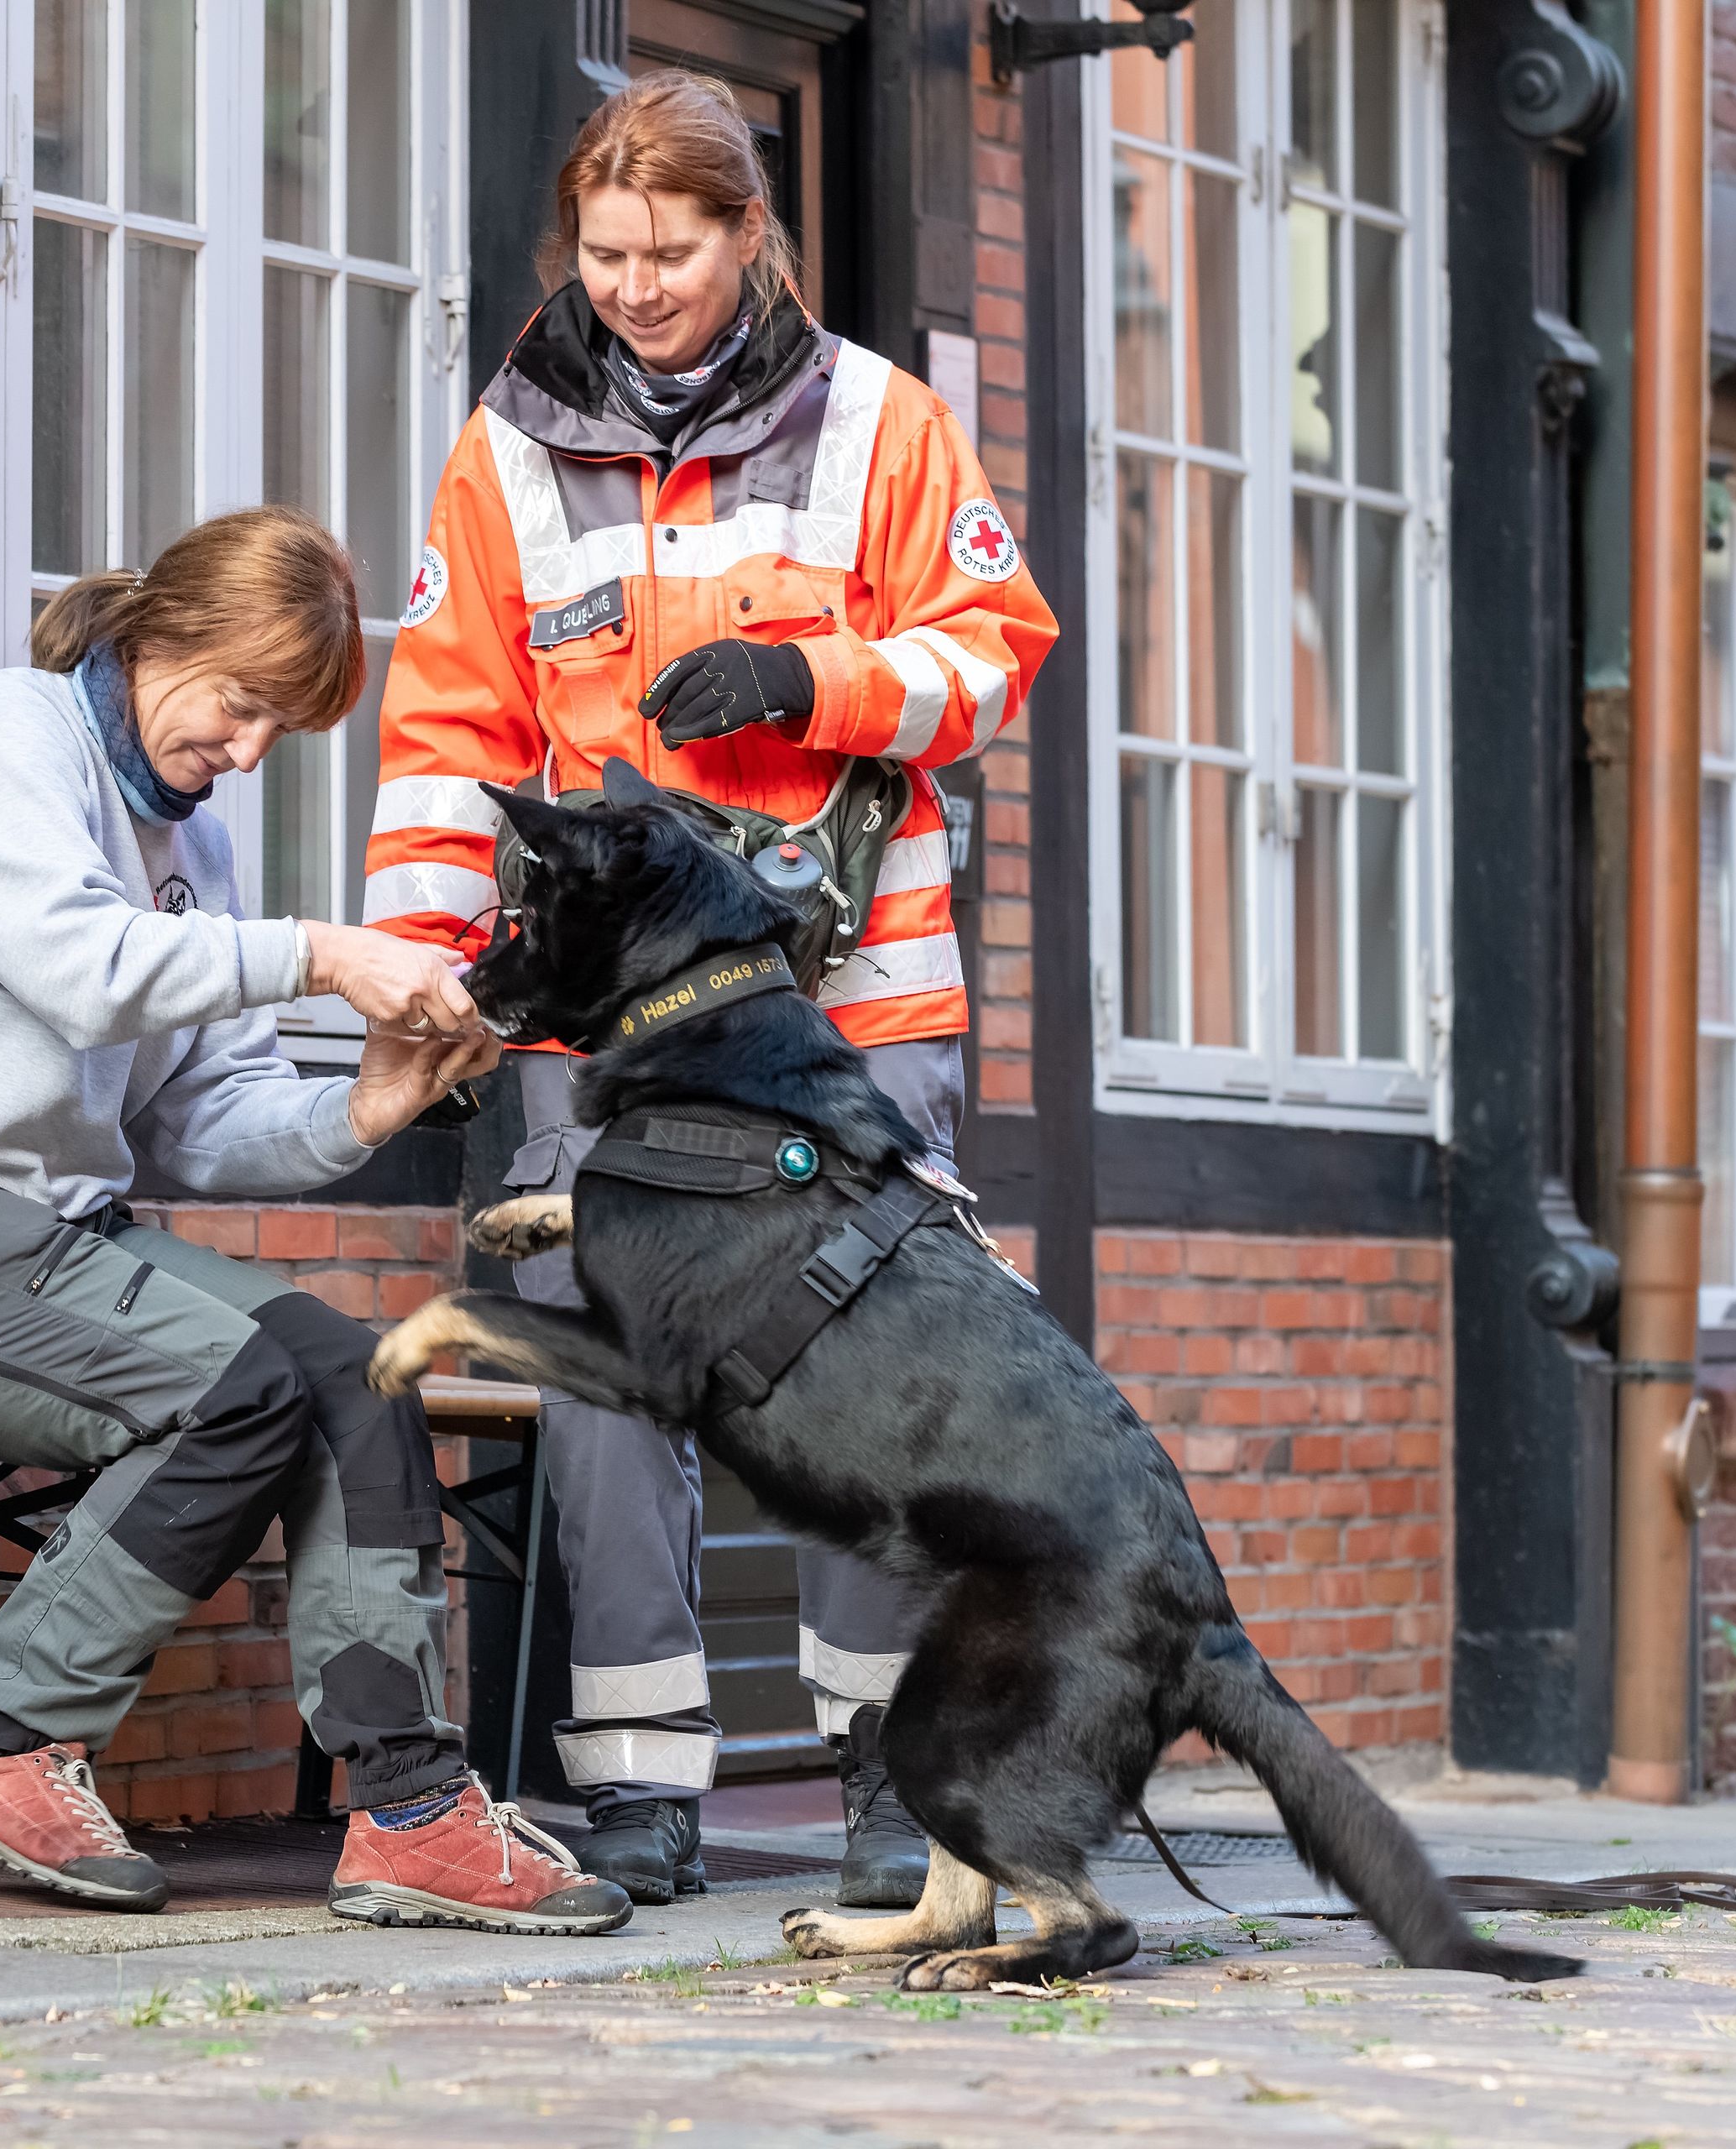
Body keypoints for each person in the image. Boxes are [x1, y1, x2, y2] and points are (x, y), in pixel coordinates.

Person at [0, 507, 628, 1937]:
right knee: (234, 1388)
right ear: (157, 641)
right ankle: (10, 1741)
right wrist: (323, 954)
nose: (247, 753)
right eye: (242, 705)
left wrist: (364, 1111)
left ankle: (410, 1809)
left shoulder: (185, 845)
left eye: (280, 731)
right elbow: (82, 971)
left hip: (35, 1229)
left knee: (350, 1373)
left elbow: (200, 1119)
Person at [361, 71, 1059, 1909]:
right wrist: (432, 991)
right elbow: (448, 742)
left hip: (847, 1011)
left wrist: (806, 680)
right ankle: (641, 1779)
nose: (638, 286)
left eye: (671, 250)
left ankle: (887, 1779)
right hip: (602, 1027)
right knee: (603, 1380)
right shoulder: (507, 449)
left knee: (858, 1382)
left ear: (753, 236)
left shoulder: (883, 426)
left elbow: (994, 658)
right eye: (605, 255)